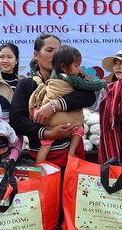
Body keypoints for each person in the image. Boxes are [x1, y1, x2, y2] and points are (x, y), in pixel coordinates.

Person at [11, 34, 97, 165]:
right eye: (49, 50)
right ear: (36, 54)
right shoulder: (27, 85)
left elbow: (89, 97)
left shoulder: (73, 80)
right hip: (41, 157)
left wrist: (55, 105)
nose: (55, 55)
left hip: (72, 158)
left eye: (58, 51)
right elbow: (17, 120)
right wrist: (47, 133)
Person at [29, 45, 106, 163]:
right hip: (56, 124)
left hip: (50, 124)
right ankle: (71, 153)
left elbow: (89, 98)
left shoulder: (57, 74)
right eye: (76, 66)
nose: (79, 68)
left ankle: (39, 168)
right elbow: (89, 86)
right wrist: (103, 82)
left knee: (45, 146)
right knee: (78, 129)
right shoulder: (71, 79)